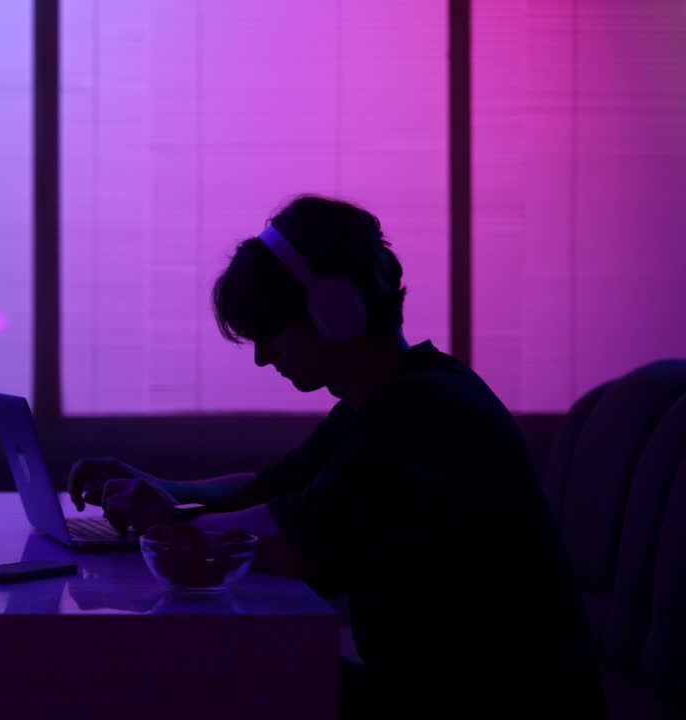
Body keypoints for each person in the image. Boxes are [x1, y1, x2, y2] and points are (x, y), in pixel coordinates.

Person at [67, 195, 606, 718]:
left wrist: (171, 522)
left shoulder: (425, 413)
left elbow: (293, 542)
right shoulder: (381, 401)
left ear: (333, 312)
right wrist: (169, 492)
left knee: (197, 677)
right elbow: (275, 488)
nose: (261, 358)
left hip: (485, 707)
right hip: (434, 694)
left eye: (270, 334)